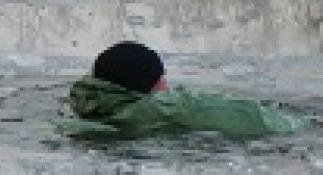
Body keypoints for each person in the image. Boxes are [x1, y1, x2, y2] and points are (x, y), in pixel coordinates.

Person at [59, 41, 305, 139]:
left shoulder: (86, 105)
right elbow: (252, 119)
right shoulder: (166, 110)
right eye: (162, 78)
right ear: (152, 85)